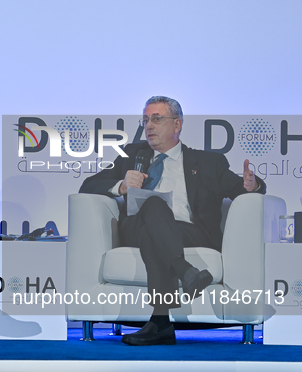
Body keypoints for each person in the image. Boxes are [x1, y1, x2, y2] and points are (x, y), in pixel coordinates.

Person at [79, 96, 266, 346]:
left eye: (157, 119)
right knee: (154, 204)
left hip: (188, 231)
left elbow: (240, 190)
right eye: (145, 120)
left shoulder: (209, 162)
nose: (149, 126)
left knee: (152, 234)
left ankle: (161, 323)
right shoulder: (132, 155)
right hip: (135, 226)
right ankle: (185, 271)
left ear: (177, 125)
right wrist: (121, 186)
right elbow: (87, 185)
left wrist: (253, 185)